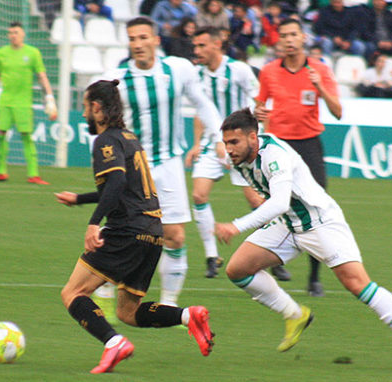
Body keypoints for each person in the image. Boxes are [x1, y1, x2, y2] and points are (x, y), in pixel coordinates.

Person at [214, 108, 392, 372]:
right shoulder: (241, 160)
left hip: (320, 224)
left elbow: (279, 201)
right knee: (238, 270)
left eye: (234, 142)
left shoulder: (275, 156)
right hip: (288, 225)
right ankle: (295, 315)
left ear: (253, 137)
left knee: (357, 284)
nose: (229, 149)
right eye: (226, 143)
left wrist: (236, 226)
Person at [56, 79, 214, 374]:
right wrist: (80, 199)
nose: (84, 115)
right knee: (127, 311)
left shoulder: (105, 141)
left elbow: (115, 183)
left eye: (85, 108)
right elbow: (122, 187)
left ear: (98, 108)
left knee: (73, 293)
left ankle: (113, 343)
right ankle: (188, 316)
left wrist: (93, 224)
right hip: (152, 232)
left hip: (127, 231)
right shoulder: (129, 138)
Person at [99, 16, 223, 307]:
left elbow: (203, 104)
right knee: (123, 233)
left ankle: (168, 304)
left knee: (175, 235)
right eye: (132, 39)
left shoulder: (177, 70)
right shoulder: (115, 78)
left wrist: (218, 137)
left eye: (143, 38)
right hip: (131, 166)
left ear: (156, 40)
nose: (138, 44)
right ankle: (103, 290)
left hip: (169, 163)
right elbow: (99, 120)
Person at [254, 18, 342, 296]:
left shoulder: (320, 70)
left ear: (303, 37)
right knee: (276, 206)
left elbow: (338, 111)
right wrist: (259, 114)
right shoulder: (269, 71)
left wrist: (321, 88)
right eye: (284, 36)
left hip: (309, 145)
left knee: (317, 208)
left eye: (294, 35)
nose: (289, 40)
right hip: (280, 146)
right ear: (278, 41)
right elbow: (260, 103)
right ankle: (271, 262)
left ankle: (314, 277)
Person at [189, 26, 263, 278]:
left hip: (240, 145)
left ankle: (271, 254)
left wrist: (254, 139)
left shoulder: (239, 70)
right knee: (198, 195)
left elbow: (259, 102)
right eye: (195, 46)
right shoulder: (197, 75)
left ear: (217, 44)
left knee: (256, 201)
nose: (196, 50)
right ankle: (212, 256)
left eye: (201, 45)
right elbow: (200, 111)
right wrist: (197, 143)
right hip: (213, 145)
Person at [0, 22, 56, 185]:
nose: (12, 35)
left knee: (27, 137)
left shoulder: (32, 53)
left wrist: (49, 98)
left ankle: (33, 174)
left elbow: (41, 76)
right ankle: (0, 171)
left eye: (15, 32)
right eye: (10, 33)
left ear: (23, 34)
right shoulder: (2, 53)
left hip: (23, 103)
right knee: (1, 135)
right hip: (5, 102)